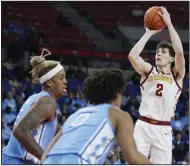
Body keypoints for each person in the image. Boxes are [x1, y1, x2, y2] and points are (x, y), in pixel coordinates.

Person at [41, 68, 152, 164]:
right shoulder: (118, 115)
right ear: (118, 93)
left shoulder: (76, 115)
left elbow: (46, 153)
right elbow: (132, 157)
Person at [128, 7, 185, 164]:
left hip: (163, 129)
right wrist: (149, 32)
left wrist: (169, 24)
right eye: (157, 52)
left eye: (164, 52)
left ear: (172, 59)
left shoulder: (177, 76)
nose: (159, 54)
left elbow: (180, 52)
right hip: (143, 126)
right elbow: (132, 56)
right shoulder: (149, 71)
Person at [2, 49, 67, 164]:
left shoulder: (37, 98)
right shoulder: (47, 102)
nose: (65, 82)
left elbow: (56, 130)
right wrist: (45, 159)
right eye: (61, 78)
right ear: (49, 82)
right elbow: (20, 131)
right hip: (18, 161)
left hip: (11, 158)